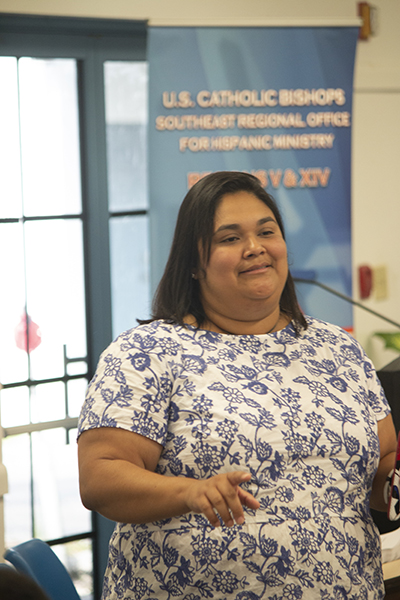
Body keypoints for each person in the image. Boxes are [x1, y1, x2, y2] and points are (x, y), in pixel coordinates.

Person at [77, 171, 396, 600]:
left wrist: (392, 482)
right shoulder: (148, 352)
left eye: (267, 231)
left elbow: (383, 463)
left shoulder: (337, 347)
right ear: (193, 263)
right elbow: (100, 477)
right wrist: (191, 492)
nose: (255, 247)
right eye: (230, 238)